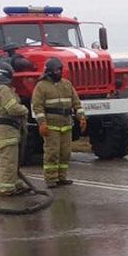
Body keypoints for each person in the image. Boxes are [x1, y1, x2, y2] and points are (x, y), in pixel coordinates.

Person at [31, 57, 86, 188]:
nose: (59, 72)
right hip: (51, 126)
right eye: (56, 70)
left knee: (65, 153)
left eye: (60, 70)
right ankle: (51, 178)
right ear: (49, 71)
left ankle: (62, 177)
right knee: (52, 153)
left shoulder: (66, 84)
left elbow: (76, 103)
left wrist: (82, 117)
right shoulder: (41, 86)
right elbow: (37, 106)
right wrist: (42, 123)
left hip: (66, 125)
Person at [0, 61, 32, 198]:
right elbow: (13, 108)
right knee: (8, 161)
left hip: (1, 129)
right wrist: (24, 109)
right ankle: (6, 189)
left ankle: (15, 183)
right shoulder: (3, 90)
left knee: (12, 160)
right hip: (5, 130)